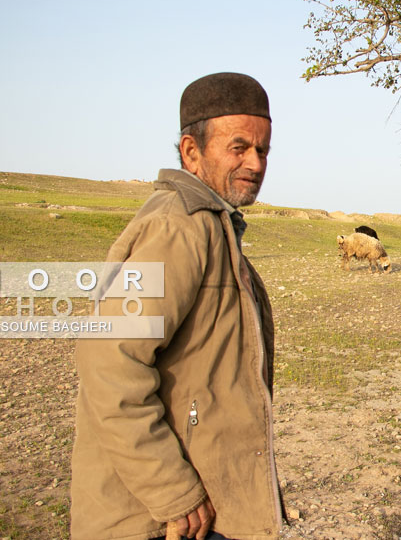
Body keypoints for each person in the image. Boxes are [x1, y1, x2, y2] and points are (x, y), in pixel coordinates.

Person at [71, 73, 284, 540]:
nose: (255, 162)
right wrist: (173, 491)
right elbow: (110, 364)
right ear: (191, 151)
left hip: (199, 507)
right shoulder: (178, 229)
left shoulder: (213, 225)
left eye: (263, 150)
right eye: (239, 147)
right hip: (162, 520)